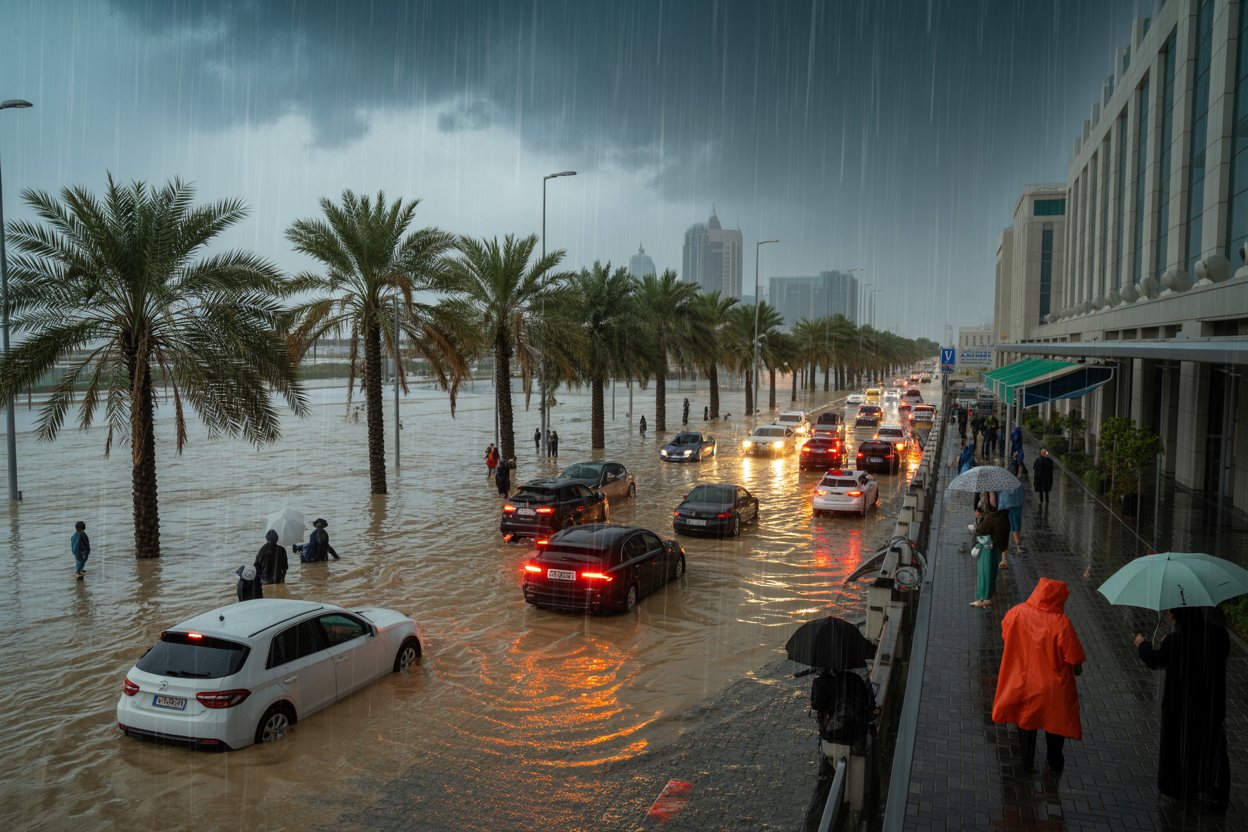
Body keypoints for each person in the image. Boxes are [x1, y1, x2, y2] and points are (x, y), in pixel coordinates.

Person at [1134, 608, 1230, 811]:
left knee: (1182, 745)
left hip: (1183, 706)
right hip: (1211, 703)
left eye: (1171, 612)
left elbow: (1155, 659)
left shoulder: (1175, 642)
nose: (1168, 614)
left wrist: (1141, 644)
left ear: (1178, 615)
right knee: (1210, 744)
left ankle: (1182, 789)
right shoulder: (1218, 635)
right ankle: (1212, 788)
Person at [992, 577, 1085, 772]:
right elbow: (1074, 657)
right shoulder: (1061, 623)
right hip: (1052, 687)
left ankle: (1026, 762)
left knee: (1026, 722)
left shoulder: (1016, 613)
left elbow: (1005, 634)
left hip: (1024, 681)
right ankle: (1054, 761)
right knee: (1055, 725)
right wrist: (1076, 669)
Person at [970, 501, 1008, 608]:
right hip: (998, 548)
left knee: (984, 574)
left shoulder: (991, 517)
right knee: (991, 574)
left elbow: (979, 530)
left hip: (987, 549)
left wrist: (979, 521)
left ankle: (984, 599)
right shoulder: (1005, 516)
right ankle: (988, 596)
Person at [996, 480, 1025, 562]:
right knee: (1017, 524)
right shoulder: (1020, 484)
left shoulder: (1003, 486)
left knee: (1012, 525)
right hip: (1018, 506)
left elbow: (1002, 499)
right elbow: (1023, 497)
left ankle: (1017, 543)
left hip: (1009, 507)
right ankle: (1017, 542)